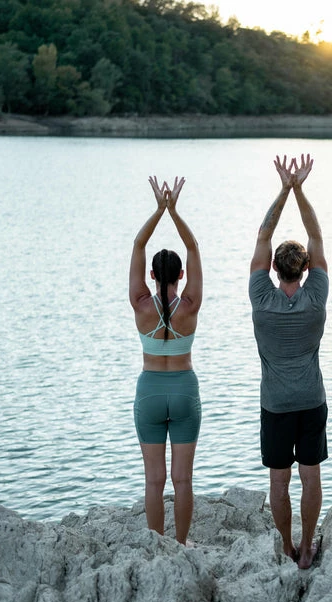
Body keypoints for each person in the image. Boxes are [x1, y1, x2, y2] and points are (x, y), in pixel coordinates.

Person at [249, 154, 328, 569]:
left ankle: (286, 544)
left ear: (272, 269)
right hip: (311, 400)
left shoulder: (262, 301)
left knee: (279, 480)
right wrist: (301, 190)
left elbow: (263, 237)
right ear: (307, 269)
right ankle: (309, 545)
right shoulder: (316, 300)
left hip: (276, 405)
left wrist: (283, 188)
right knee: (309, 475)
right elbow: (316, 235)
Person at [129, 176, 202, 545]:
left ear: (153, 275)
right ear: (181, 276)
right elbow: (193, 246)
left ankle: (157, 546)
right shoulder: (189, 306)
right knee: (183, 480)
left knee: (154, 480)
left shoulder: (142, 304)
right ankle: (183, 545)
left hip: (151, 391)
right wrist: (175, 212)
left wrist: (159, 209)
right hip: (185, 390)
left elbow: (139, 243)